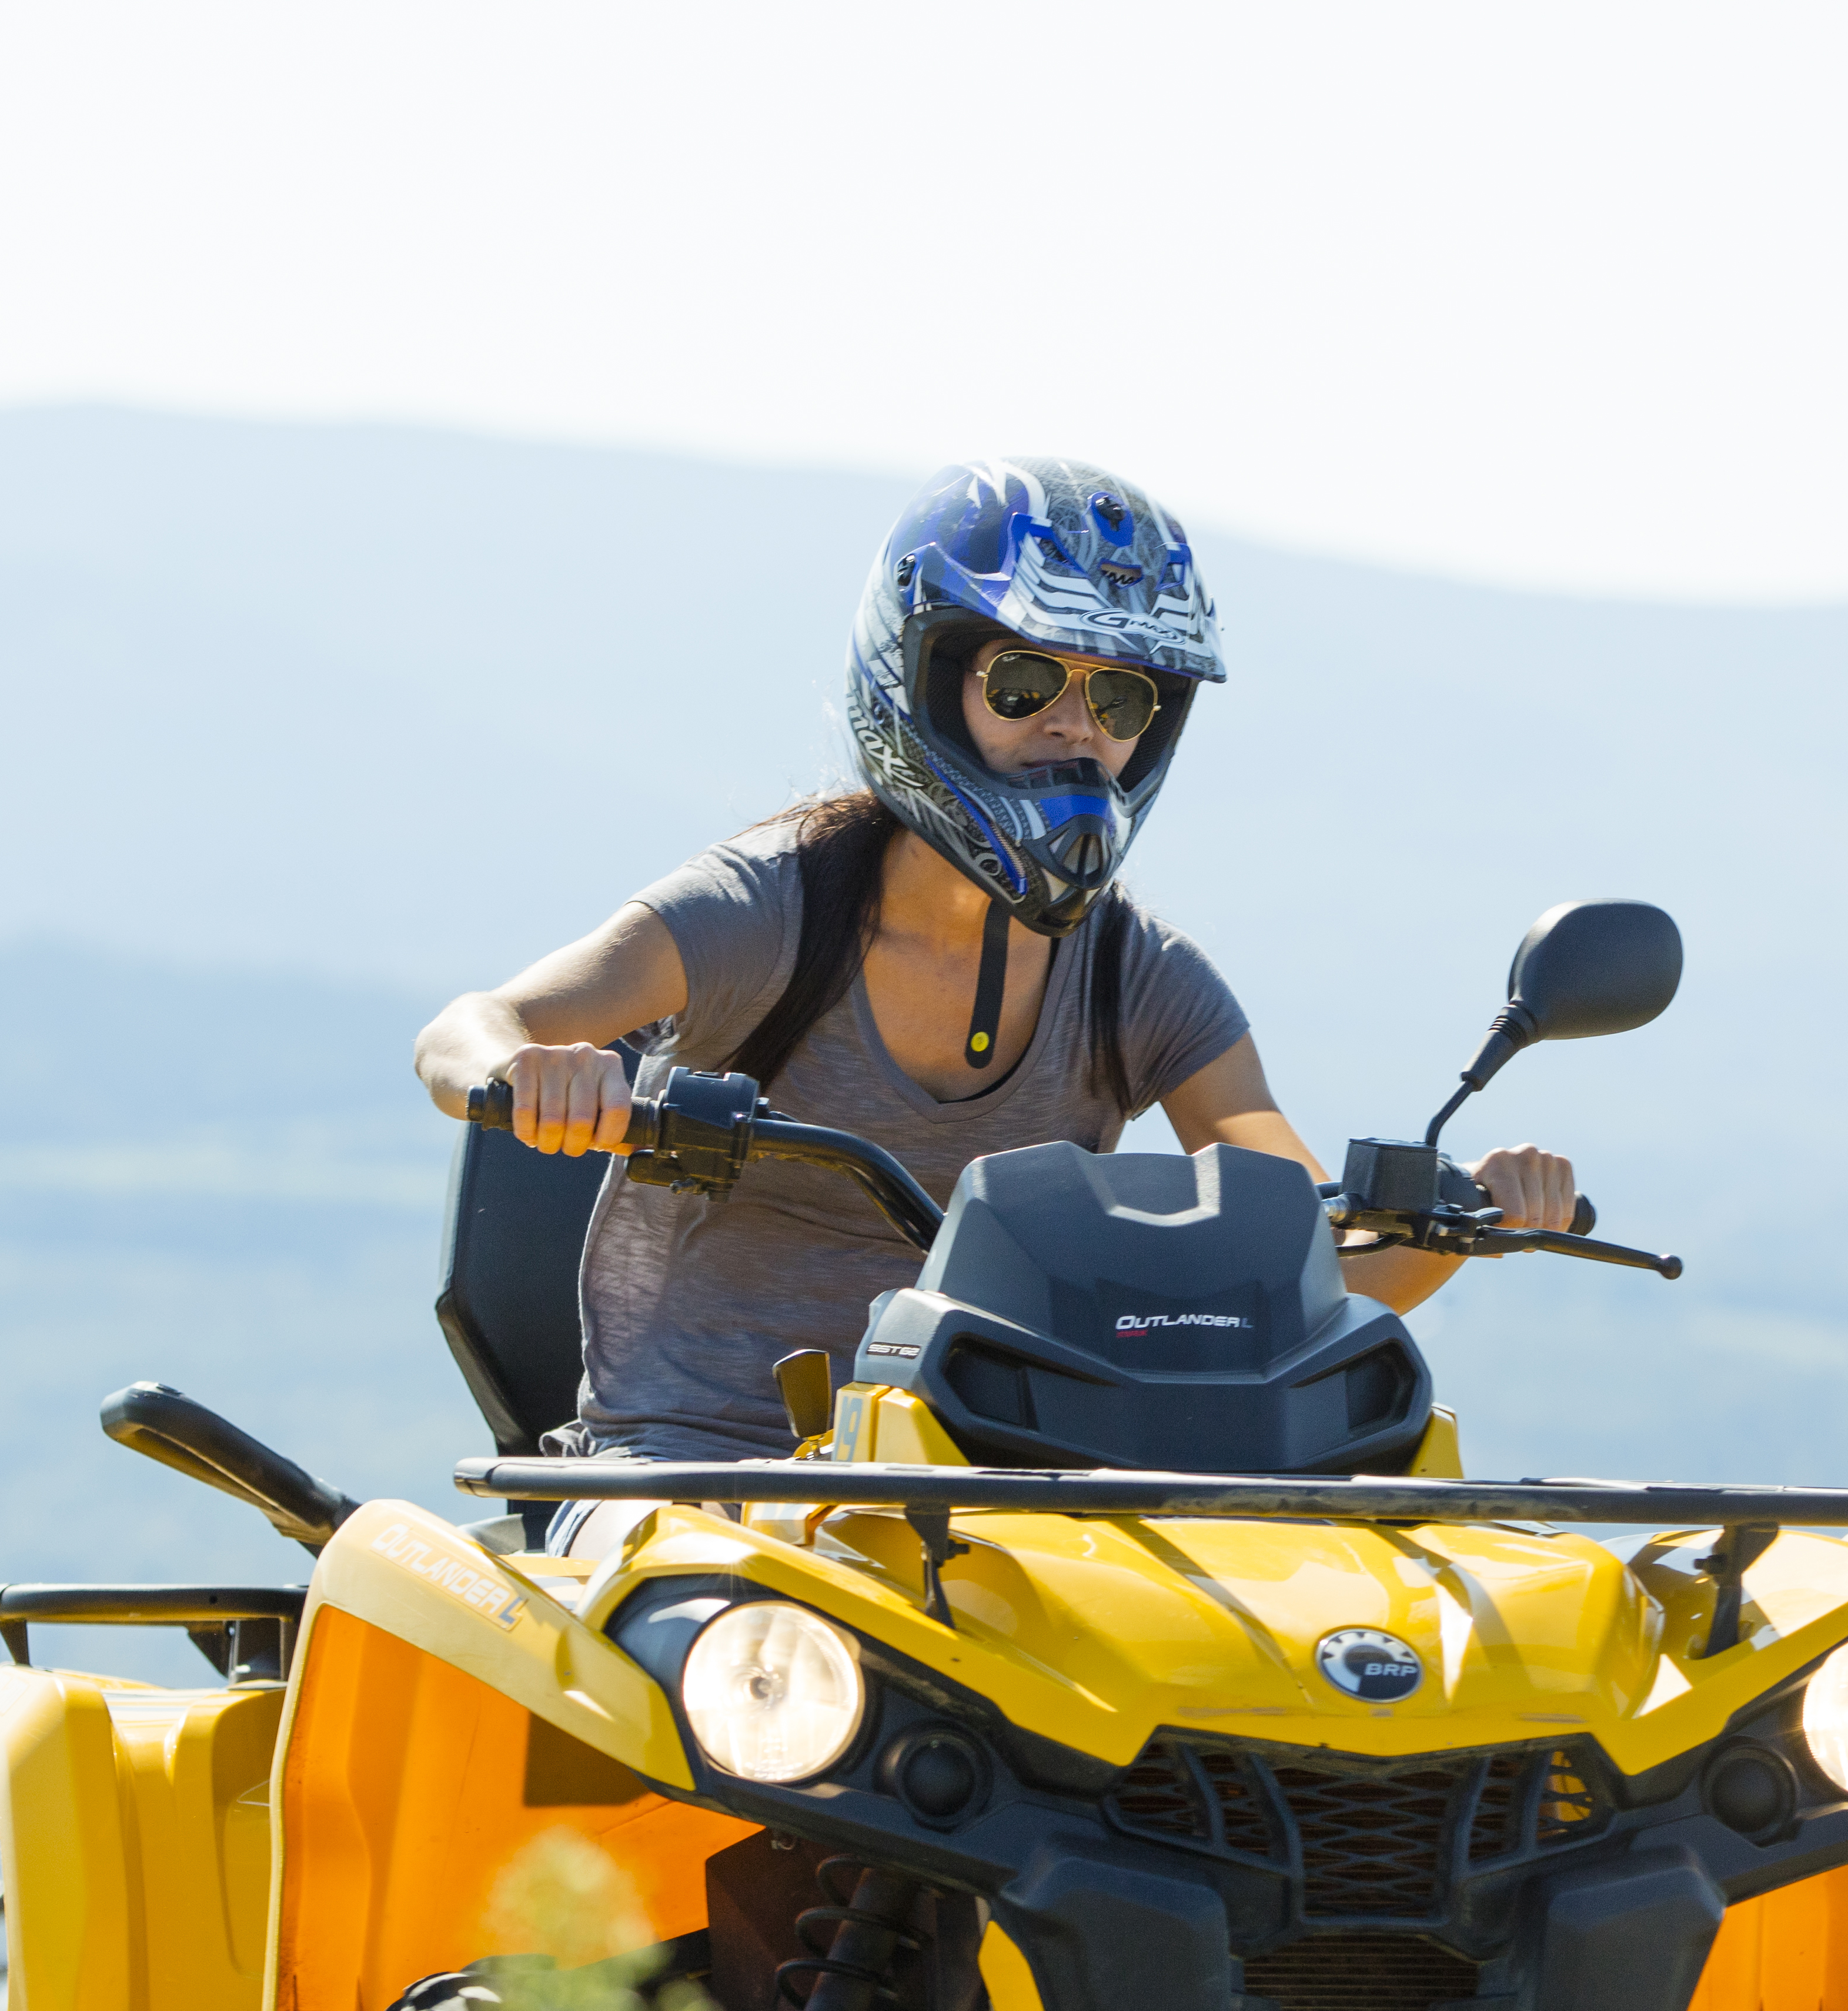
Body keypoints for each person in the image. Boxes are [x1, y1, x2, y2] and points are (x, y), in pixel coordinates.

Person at [413, 455, 1583, 1464]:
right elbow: (471, 1027)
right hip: (690, 1475)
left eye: (1119, 696)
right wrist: (537, 1072)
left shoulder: (1143, 979)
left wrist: (1463, 1215)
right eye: (1025, 684)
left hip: (993, 1490)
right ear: (927, 676)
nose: (1076, 728)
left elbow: (1299, 1273)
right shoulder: (772, 908)